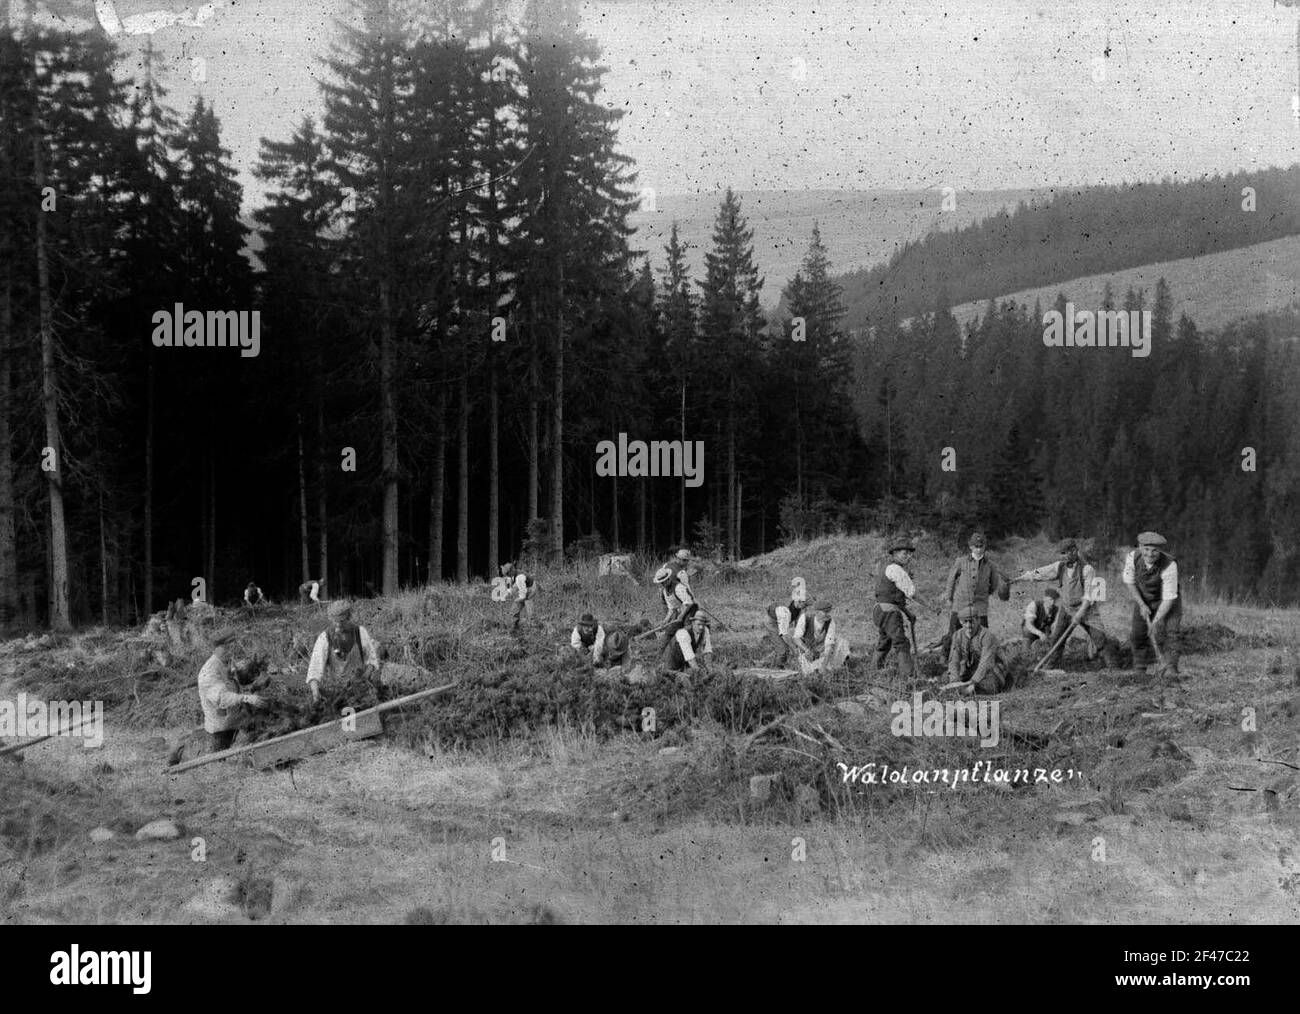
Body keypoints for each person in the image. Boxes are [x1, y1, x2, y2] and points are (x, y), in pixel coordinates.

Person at [1014, 539, 1119, 666]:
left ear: (1074, 551)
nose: (1061, 557)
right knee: (1057, 638)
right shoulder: (1059, 566)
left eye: (1064, 553)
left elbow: (1089, 596)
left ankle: (1114, 668)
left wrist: (1080, 614)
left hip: (1086, 609)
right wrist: (1021, 578)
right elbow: (1041, 573)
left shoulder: (1087, 569)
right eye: (1060, 554)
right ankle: (1051, 666)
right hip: (1067, 609)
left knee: (1099, 638)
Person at [873, 537, 938, 678]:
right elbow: (912, 593)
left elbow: (895, 599)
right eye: (904, 553)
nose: (908, 556)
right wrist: (930, 606)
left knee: (885, 641)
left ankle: (874, 671)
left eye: (909, 553)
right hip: (889, 612)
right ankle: (908, 676)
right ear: (895, 553)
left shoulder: (886, 566)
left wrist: (908, 614)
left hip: (880, 610)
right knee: (901, 643)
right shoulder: (896, 569)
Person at [943, 531, 1009, 661]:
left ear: (985, 547)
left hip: (980, 605)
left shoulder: (990, 565)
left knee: (983, 633)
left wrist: (984, 595)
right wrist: (949, 598)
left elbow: (994, 584)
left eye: (981, 546)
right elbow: (951, 580)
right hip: (961, 603)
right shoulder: (961, 561)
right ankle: (946, 658)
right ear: (971, 547)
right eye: (976, 547)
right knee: (953, 632)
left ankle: (982, 659)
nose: (979, 549)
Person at [196, 628, 266, 751]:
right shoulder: (209, 671)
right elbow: (222, 698)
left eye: (231, 646)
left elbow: (234, 684)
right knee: (221, 760)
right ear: (216, 649)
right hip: (220, 730)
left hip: (234, 721)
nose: (229, 650)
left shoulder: (224, 665)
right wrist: (247, 698)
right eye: (225, 647)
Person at [1122, 531, 1181, 676]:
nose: (1150, 554)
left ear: (1160, 550)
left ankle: (1170, 669)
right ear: (1140, 547)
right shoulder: (1132, 557)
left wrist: (1155, 622)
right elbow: (1130, 583)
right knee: (1137, 634)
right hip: (1143, 597)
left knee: (1171, 633)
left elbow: (1168, 598)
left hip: (1168, 600)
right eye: (1146, 549)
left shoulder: (1169, 565)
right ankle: (1140, 668)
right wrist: (1142, 604)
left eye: (1155, 550)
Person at [306, 600, 381, 704]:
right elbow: (315, 667)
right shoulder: (325, 638)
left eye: (341, 621)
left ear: (349, 617)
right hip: (337, 693)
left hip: (361, 689)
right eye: (334, 621)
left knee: (368, 710)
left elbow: (372, 659)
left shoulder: (360, 632)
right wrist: (315, 692)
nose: (338, 625)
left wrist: (364, 677)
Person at [946, 606, 1007, 694]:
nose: (968, 625)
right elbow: (954, 661)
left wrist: (973, 683)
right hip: (971, 669)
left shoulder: (987, 636)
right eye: (965, 621)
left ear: (978, 620)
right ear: (960, 622)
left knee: (989, 686)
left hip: (992, 670)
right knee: (948, 678)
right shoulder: (957, 636)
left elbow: (986, 663)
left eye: (971, 621)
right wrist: (954, 681)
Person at [761, 576, 809, 666]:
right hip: (772, 622)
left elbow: (798, 625)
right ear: (798, 601)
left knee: (789, 644)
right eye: (805, 605)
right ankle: (777, 669)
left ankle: (769, 662)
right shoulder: (785, 612)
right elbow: (784, 634)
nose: (806, 607)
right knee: (783, 649)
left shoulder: (798, 607)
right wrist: (794, 648)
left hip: (782, 620)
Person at [800, 601, 849, 673]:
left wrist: (824, 665)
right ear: (817, 612)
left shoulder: (830, 622)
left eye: (828, 612)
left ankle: (836, 666)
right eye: (825, 612)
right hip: (808, 652)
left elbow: (828, 646)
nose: (828, 614)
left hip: (821, 651)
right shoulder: (805, 618)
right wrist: (806, 650)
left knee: (842, 642)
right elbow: (796, 639)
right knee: (808, 672)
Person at [661, 605, 713, 673]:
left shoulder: (705, 630)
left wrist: (710, 669)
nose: (701, 627)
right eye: (698, 624)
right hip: (671, 664)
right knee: (685, 678)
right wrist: (700, 673)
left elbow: (707, 650)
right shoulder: (683, 634)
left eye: (703, 624)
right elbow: (690, 658)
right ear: (693, 623)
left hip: (684, 662)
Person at [653, 548, 696, 624]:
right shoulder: (681, 573)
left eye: (687, 560)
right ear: (681, 559)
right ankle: (671, 623)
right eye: (686, 560)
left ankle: (671, 622)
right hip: (672, 594)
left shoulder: (666, 565)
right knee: (674, 611)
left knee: (674, 613)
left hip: (667, 592)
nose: (687, 562)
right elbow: (687, 589)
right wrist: (694, 600)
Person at [499, 561, 538, 629]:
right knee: (514, 609)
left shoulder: (519, 577)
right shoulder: (509, 576)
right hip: (522, 586)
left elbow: (523, 595)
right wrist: (507, 594)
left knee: (528, 605)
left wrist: (518, 599)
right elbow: (509, 586)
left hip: (530, 588)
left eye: (507, 574)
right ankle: (515, 626)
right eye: (505, 574)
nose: (506, 575)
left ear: (511, 571)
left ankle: (533, 626)